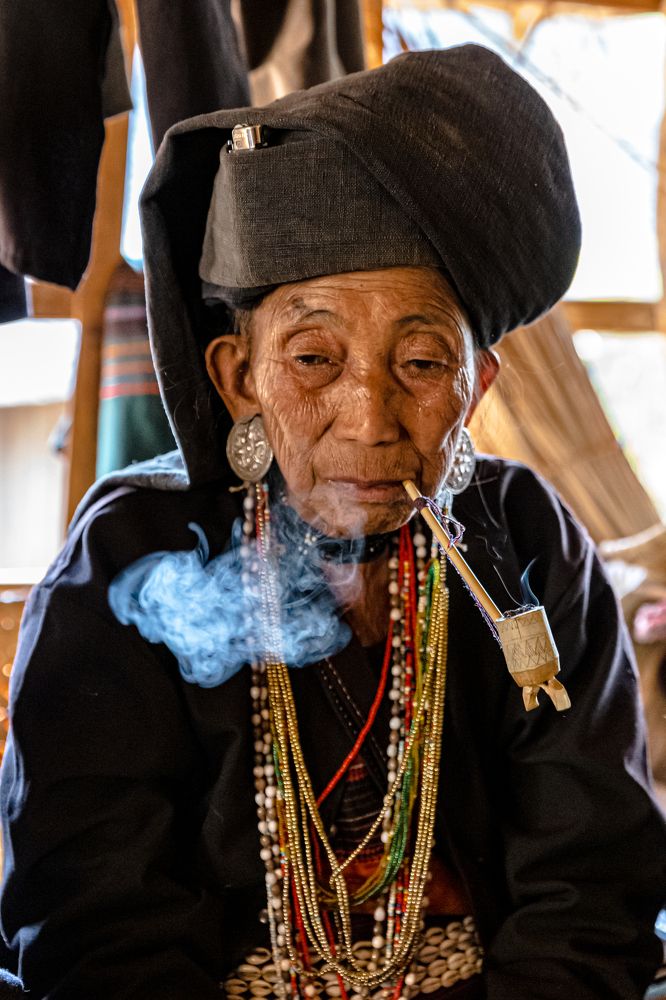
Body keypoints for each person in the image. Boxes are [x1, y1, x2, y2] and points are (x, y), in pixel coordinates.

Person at [1, 44, 665, 1000]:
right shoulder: (131, 554)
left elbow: (592, 883)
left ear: (475, 387)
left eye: (423, 365)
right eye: (313, 359)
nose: (371, 421)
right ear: (239, 379)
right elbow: (94, 915)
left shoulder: (523, 539)